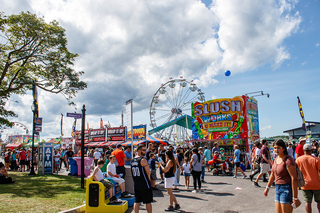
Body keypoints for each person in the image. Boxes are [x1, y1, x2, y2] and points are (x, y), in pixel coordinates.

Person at [263, 139, 300, 213]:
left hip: (287, 189)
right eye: (275, 148)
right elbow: (273, 175)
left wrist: (295, 197)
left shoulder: (288, 160)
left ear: (283, 148)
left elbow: (294, 178)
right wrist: (267, 188)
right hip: (278, 188)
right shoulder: (276, 159)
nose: (276, 150)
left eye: (278, 148)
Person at [296, 144, 320, 213]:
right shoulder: (316, 160)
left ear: (303, 151)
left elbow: (295, 171)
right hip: (316, 184)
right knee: (319, 201)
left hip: (304, 184)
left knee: (307, 201)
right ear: (312, 150)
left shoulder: (298, 160)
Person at [131, 144, 153, 213]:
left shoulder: (132, 160)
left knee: (137, 201)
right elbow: (148, 172)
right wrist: (149, 180)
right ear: (139, 151)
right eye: (143, 150)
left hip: (136, 183)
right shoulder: (143, 160)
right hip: (144, 183)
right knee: (148, 202)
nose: (145, 151)